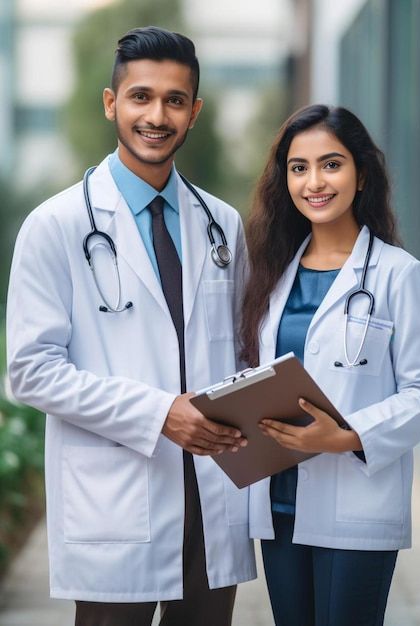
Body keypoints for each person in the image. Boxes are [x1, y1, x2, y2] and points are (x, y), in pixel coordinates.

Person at [7, 26, 256, 626]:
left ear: (194, 112)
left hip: (213, 496)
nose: (157, 115)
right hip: (116, 499)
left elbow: (245, 351)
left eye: (175, 100)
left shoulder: (221, 225)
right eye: (141, 96)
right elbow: (31, 373)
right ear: (110, 103)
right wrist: (158, 413)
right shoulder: (56, 226)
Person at [241, 104, 420, 626]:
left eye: (331, 164)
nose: (314, 182)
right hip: (280, 501)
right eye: (298, 167)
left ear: (362, 175)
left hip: (357, 501)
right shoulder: (270, 272)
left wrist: (346, 436)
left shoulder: (399, 275)